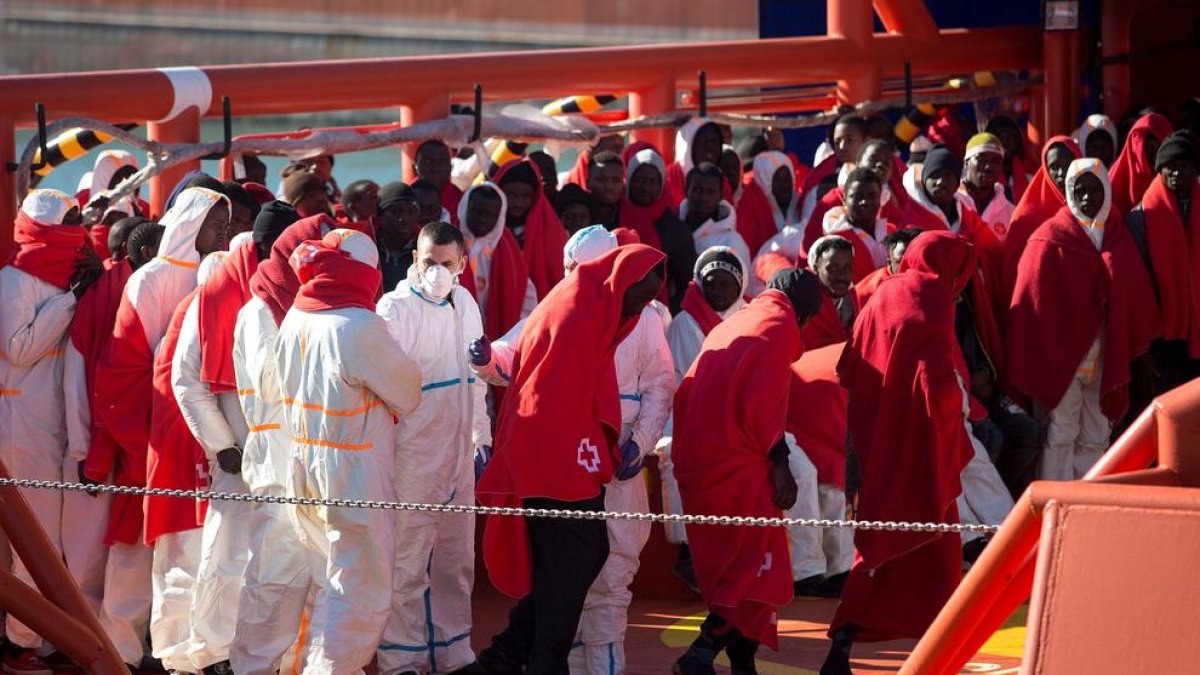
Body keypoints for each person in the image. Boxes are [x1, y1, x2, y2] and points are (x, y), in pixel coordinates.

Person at [471, 226, 674, 675]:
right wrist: (487, 360)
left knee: (593, 562)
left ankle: (508, 657)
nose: (641, 307)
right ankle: (542, 661)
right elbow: (537, 377)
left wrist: (640, 440)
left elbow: (660, 381)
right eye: (638, 297)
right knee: (574, 565)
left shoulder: (614, 313)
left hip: (598, 456)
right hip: (569, 462)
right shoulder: (576, 313)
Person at [821, 232, 980, 675]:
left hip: (877, 437)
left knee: (878, 547)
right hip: (919, 444)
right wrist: (951, 435)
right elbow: (936, 380)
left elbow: (851, 364)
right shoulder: (932, 294)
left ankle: (843, 647)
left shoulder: (885, 288)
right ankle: (941, 654)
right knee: (940, 554)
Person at [87, 187, 231, 673]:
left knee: (197, 543)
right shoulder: (152, 278)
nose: (222, 234)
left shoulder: (220, 275)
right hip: (155, 422)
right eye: (215, 224)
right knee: (137, 541)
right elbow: (133, 355)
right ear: (191, 224)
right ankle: (121, 650)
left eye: (226, 225)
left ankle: (189, 648)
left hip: (201, 424)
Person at [276, 228, 422, 674]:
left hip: (301, 460)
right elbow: (408, 392)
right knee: (359, 585)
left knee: (325, 578)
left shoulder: (295, 316)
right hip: (353, 469)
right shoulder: (359, 326)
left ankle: (304, 665)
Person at [672, 269, 822, 675]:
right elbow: (762, 408)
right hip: (738, 463)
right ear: (805, 315)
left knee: (739, 566)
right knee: (751, 565)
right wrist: (780, 464)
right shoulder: (779, 328)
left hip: (701, 460)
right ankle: (700, 653)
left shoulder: (740, 318)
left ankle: (742, 661)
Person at [373, 222, 490, 674]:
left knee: (456, 561)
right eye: (429, 263)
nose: (437, 272)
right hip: (414, 458)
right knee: (406, 564)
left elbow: (476, 380)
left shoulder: (466, 304)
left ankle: (453, 652)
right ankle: (402, 660)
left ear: (461, 264)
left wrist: (482, 436)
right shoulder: (395, 309)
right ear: (414, 261)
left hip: (459, 455)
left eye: (446, 263)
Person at [178, 213, 292, 674]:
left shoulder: (296, 290)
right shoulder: (215, 292)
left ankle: (271, 655)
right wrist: (221, 445)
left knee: (279, 558)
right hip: (235, 451)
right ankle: (212, 652)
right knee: (225, 555)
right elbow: (186, 378)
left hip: (285, 452)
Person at [1007, 159, 1161, 481]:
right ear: (1068, 194)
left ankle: (1089, 496)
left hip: (1106, 353)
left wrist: (1139, 348)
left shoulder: (1117, 235)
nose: (1088, 198)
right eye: (1080, 191)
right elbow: (1031, 303)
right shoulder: (1047, 239)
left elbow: (1135, 293)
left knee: (1096, 430)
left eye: (1095, 189)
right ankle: (1057, 498)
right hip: (1063, 358)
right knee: (1061, 432)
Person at [0, 190, 101, 671]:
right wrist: (71, 301)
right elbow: (19, 349)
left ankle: (33, 634)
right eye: (72, 220)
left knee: (41, 533)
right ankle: (23, 643)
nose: (79, 228)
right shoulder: (15, 278)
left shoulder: (55, 276)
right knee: (33, 533)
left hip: (45, 422)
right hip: (21, 424)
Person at [230, 214, 330, 675]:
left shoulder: (313, 306)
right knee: (272, 577)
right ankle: (254, 667)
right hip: (276, 458)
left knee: (321, 576)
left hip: (314, 459)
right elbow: (273, 387)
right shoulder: (259, 311)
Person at [63, 217, 158, 630]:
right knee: (88, 552)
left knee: (107, 550)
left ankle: (105, 634)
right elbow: (78, 378)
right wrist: (85, 449)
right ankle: (83, 635)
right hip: (99, 445)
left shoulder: (131, 292)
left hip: (121, 440)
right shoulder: (99, 297)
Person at [144, 251, 234, 675]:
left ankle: (209, 651)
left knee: (213, 562)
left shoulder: (205, 312)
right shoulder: (191, 317)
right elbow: (176, 389)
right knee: (182, 563)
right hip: (185, 456)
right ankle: (178, 656)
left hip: (209, 455)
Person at [1126, 131, 1200, 394]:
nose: (1178, 173)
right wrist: (1142, 350)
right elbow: (1136, 287)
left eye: (1185, 166)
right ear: (1160, 170)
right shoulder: (1140, 217)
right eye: (1171, 167)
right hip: (1161, 338)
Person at [786, 343, 854, 599]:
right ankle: (807, 572)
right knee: (821, 484)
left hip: (818, 417)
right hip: (798, 416)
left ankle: (839, 569)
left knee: (834, 490)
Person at [1001, 136, 1082, 302]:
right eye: (1054, 167)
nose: (1062, 173)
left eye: (1068, 165)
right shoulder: (1026, 216)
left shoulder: (1093, 205)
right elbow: (1012, 277)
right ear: (1045, 169)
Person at [455, 183, 538, 340]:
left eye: (490, 214)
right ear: (465, 208)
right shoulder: (450, 243)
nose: (482, 219)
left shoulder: (508, 248)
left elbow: (526, 297)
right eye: (477, 212)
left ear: (499, 217)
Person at [620, 144, 696, 313]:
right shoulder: (615, 215)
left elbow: (686, 281)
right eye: (639, 180)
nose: (645, 187)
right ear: (629, 179)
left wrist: (667, 313)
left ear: (662, 183)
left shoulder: (675, 229)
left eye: (653, 181)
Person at [493, 157, 569, 299]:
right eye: (511, 195)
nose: (518, 202)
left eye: (525, 196)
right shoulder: (484, 226)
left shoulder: (550, 230)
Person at [816, 169, 895, 283]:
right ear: (844, 200)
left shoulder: (891, 231)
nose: (865, 202)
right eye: (858, 196)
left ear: (880, 198)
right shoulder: (835, 242)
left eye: (872, 196)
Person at [798, 114, 868, 228]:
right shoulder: (822, 184)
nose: (842, 146)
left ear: (866, 140)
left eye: (849, 140)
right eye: (837, 141)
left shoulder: (883, 175)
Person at [681, 163, 751, 268]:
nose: (704, 198)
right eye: (697, 190)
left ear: (720, 196)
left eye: (711, 192)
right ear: (686, 190)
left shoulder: (732, 243)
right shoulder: (671, 227)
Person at [1109, 112, 1174, 216]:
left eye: (1159, 149)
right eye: (1150, 149)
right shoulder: (1113, 184)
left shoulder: (1178, 179)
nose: (1154, 155)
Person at [803, 236, 859, 350]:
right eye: (833, 268)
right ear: (816, 268)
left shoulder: (854, 300)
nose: (842, 276)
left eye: (847, 268)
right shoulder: (803, 304)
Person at [960, 133, 1015, 241]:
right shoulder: (952, 202)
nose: (988, 167)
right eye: (981, 159)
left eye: (996, 161)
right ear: (966, 163)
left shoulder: (1011, 213)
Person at [850, 228, 922, 308]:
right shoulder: (864, 295)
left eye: (917, 259)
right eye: (902, 261)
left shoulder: (935, 283)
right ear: (889, 262)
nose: (911, 266)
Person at [665, 118, 724, 207]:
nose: (710, 147)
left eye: (714, 141)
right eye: (704, 141)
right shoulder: (667, 179)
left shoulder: (722, 182)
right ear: (688, 145)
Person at [376, 182, 421, 292]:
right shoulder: (367, 252)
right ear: (380, 215)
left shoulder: (425, 253)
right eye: (396, 211)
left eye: (411, 211)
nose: (404, 218)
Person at [984, 116, 1030, 203]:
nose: (1004, 141)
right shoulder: (980, 179)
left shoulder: (1030, 179)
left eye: (1009, 135)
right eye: (999, 135)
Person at [413, 140, 464, 216]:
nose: (435, 168)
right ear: (415, 168)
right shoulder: (404, 196)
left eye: (441, 162)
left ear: (450, 168)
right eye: (428, 162)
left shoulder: (462, 202)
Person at [585, 151, 625, 229]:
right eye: (601, 180)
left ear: (623, 184)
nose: (609, 187)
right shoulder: (576, 215)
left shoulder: (636, 217)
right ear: (588, 183)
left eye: (616, 180)